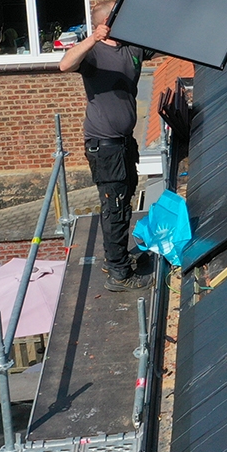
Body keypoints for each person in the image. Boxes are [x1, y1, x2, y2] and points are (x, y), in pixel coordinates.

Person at [59, 19, 156, 292]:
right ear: (107, 25)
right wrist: (92, 38)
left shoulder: (131, 49)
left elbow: (167, 44)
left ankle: (116, 257)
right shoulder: (94, 55)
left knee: (124, 202)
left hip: (124, 143)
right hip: (104, 146)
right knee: (114, 206)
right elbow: (64, 64)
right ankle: (119, 274)